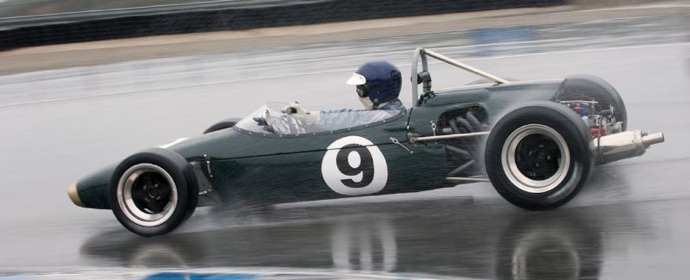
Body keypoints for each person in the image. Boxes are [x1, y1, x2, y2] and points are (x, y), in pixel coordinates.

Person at [268, 60, 406, 134]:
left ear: (378, 92)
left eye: (361, 90)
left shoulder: (386, 116)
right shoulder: (389, 111)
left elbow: (347, 120)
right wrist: (308, 115)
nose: (358, 94)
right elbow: (352, 115)